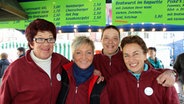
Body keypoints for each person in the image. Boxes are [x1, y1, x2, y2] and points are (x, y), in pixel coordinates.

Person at [0, 19, 70, 104]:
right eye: (40, 39)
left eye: (50, 39)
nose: (46, 44)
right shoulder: (15, 69)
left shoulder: (61, 61)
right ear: (31, 43)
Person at [93, 25, 176, 87]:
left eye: (115, 38)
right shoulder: (93, 59)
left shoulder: (128, 57)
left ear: (119, 41)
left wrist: (171, 73)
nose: (110, 42)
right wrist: (90, 73)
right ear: (101, 40)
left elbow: (151, 71)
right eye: (106, 38)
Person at [107, 35, 180, 104]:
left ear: (145, 55)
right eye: (126, 55)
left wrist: (173, 73)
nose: (131, 60)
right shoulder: (115, 82)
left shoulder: (163, 80)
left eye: (136, 54)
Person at [57, 36, 109, 104]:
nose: (84, 57)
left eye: (88, 53)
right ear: (73, 56)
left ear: (93, 55)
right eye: (78, 53)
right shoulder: (62, 74)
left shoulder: (99, 83)